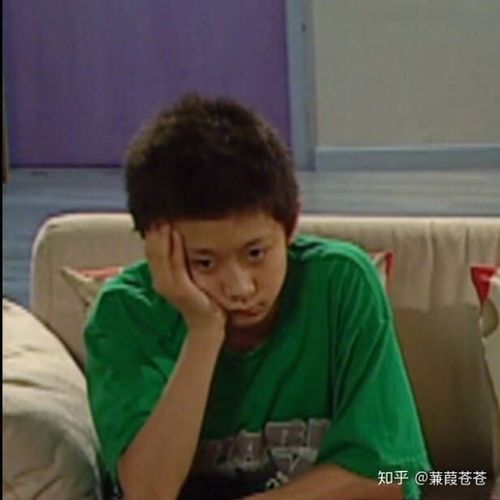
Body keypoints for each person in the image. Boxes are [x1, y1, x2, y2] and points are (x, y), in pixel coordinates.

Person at [84, 94, 431, 500]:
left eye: (255, 254)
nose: (240, 288)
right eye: (204, 262)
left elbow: (390, 478)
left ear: (291, 225)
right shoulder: (126, 313)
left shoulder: (340, 283)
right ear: (158, 248)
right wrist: (203, 332)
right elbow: (148, 493)